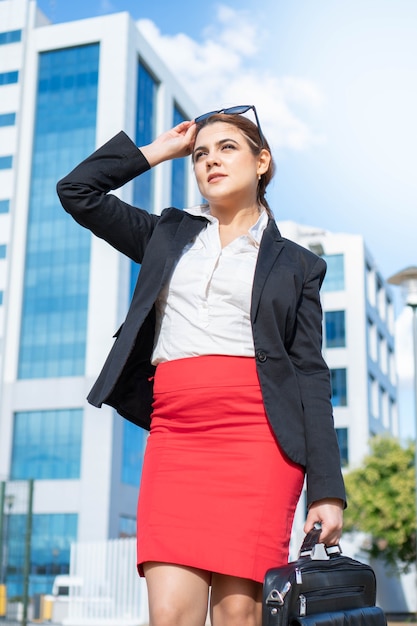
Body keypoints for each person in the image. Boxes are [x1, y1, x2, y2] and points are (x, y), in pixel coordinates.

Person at [57, 104, 345, 626]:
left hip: (260, 442)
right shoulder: (167, 235)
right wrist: (159, 150)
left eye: (227, 148)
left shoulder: (300, 264)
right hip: (176, 437)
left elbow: (310, 374)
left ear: (263, 162)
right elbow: (77, 192)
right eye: (199, 155)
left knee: (239, 616)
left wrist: (326, 490)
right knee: (169, 616)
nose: (210, 160)